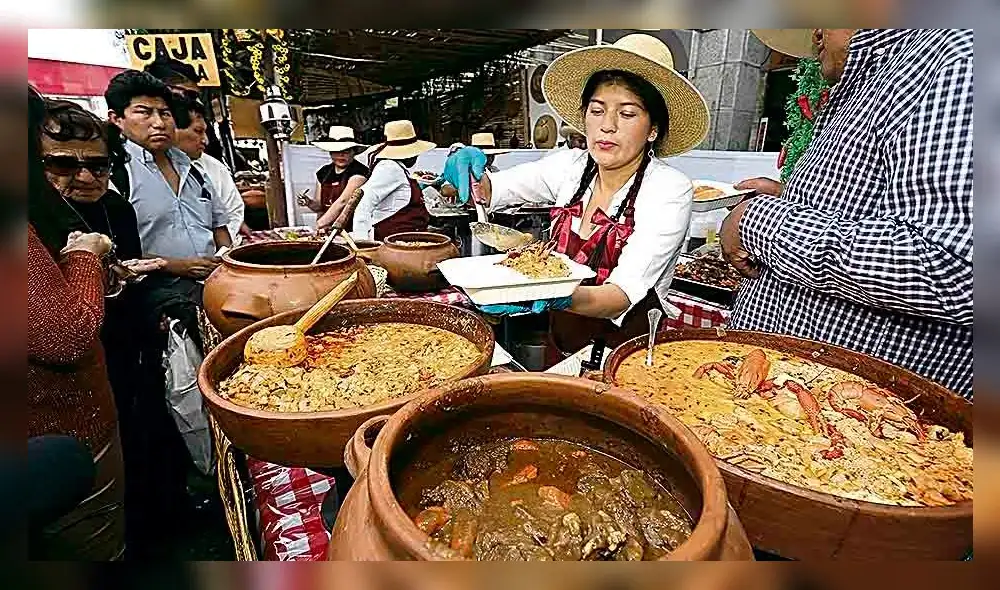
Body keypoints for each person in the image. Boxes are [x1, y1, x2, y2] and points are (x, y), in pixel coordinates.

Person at [721, 29, 973, 398]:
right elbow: (875, 207)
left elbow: (953, 264)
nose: (814, 31)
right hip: (787, 402)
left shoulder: (952, 61)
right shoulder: (878, 74)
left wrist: (757, 222)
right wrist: (791, 199)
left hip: (854, 427)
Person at [444, 34, 708, 355]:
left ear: (653, 129)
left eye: (627, 114)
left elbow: (619, 297)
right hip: (561, 339)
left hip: (624, 352)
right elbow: (492, 189)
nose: (607, 126)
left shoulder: (668, 189)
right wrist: (469, 167)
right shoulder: (570, 167)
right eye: (597, 111)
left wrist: (553, 295)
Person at [28, 86, 125, 560]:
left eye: (98, 165)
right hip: (55, 433)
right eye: (61, 164)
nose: (83, 177)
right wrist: (87, 259)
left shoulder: (112, 209)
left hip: (97, 393)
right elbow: (64, 334)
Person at [175, 98, 248, 242]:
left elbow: (232, 215)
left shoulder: (213, 169)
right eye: (197, 131)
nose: (205, 140)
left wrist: (219, 254)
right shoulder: (137, 171)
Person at [351, 119, 435, 241]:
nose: (416, 156)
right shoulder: (389, 168)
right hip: (392, 243)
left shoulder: (398, 168)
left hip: (407, 240)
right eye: (414, 152)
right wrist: (362, 240)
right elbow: (365, 202)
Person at [303, 125, 370, 232]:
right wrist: (309, 202)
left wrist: (318, 225)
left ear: (354, 151)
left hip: (351, 230)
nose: (341, 155)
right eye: (336, 151)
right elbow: (320, 206)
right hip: (327, 230)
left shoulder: (360, 172)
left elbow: (343, 202)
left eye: (346, 151)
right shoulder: (323, 172)